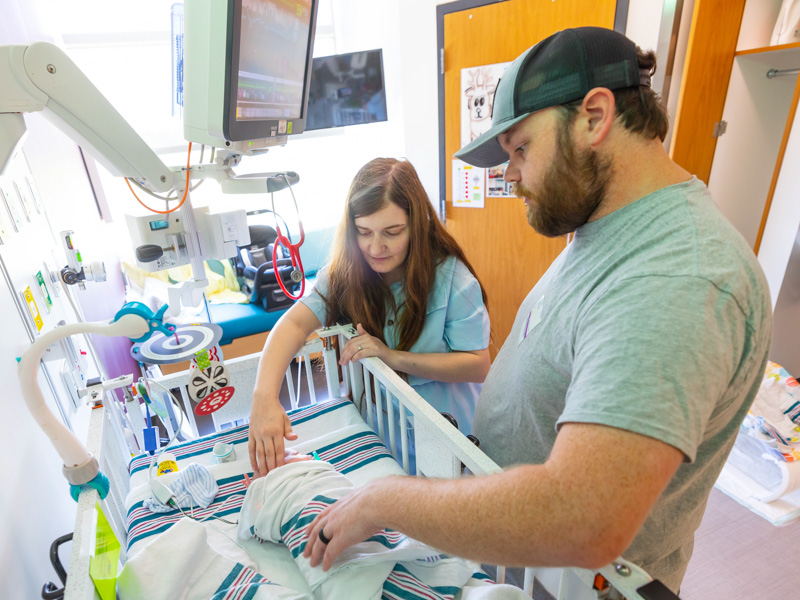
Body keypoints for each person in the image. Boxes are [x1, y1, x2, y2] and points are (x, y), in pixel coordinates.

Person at [300, 27, 773, 594]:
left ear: (595, 118)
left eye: (521, 148)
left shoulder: (677, 276)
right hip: (519, 557)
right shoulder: (605, 229)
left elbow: (582, 518)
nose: (509, 175)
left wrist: (385, 501)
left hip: (575, 578)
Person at [249, 158, 491, 477]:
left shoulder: (452, 283)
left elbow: (477, 364)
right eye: (364, 232)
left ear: (416, 226)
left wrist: (392, 358)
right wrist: (264, 397)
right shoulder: (345, 275)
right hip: (383, 437)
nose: (376, 247)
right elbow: (294, 324)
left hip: (448, 435)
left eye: (392, 232)